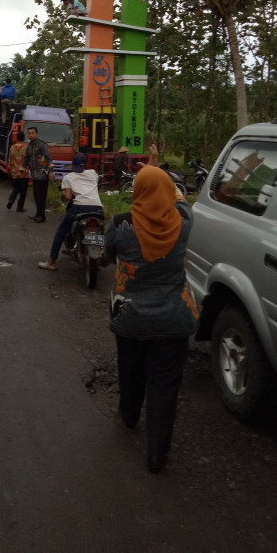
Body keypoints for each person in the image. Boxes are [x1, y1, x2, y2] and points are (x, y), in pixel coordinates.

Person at [103, 145, 199, 474]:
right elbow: (179, 199)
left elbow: (103, 255)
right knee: (165, 387)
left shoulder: (121, 225)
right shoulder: (183, 223)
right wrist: (158, 170)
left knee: (130, 372)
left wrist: (150, 171)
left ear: (138, 190)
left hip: (129, 319)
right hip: (173, 320)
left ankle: (129, 416)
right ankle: (157, 455)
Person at [38, 153, 103, 270]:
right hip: (97, 207)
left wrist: (64, 194)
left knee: (61, 231)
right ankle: (99, 255)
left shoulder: (68, 177)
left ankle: (52, 262)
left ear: (73, 165)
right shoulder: (93, 173)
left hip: (79, 208)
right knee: (101, 230)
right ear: (86, 165)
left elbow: (68, 197)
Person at [20, 126, 54, 222]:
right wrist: (22, 168)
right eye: (29, 133)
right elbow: (27, 158)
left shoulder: (42, 145)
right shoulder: (29, 145)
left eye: (32, 133)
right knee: (36, 195)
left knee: (41, 196)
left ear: (37, 134)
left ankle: (41, 216)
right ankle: (38, 213)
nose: (30, 135)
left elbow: (48, 158)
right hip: (34, 175)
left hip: (43, 174)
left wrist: (51, 171)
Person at [6, 130, 28, 212]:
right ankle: (20, 207)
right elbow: (27, 159)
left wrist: (10, 169)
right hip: (23, 172)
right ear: (24, 138)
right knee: (23, 191)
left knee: (15, 188)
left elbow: (10, 159)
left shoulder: (12, 147)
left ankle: (11, 200)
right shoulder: (27, 147)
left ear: (17, 138)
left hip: (14, 171)